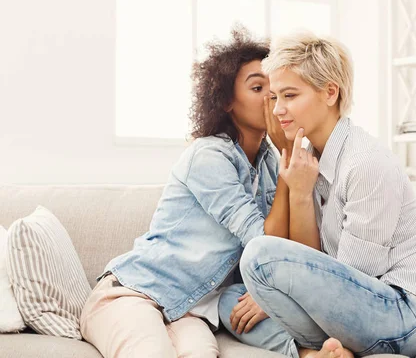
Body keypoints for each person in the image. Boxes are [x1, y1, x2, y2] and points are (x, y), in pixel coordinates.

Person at [219, 31, 416, 358]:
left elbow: (352, 278)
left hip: (406, 313)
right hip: (353, 304)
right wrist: (299, 193)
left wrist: (277, 294)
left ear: (329, 92)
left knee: (259, 257)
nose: (278, 110)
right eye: (275, 97)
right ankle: (315, 354)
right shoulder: (310, 158)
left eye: (290, 95)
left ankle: (312, 346)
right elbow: (316, 265)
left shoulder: (365, 164)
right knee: (231, 299)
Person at [79, 26, 292, 358]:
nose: (271, 97)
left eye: (276, 88)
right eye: (257, 87)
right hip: (131, 294)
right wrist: (288, 154)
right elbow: (264, 242)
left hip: (187, 309)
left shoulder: (269, 163)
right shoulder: (209, 156)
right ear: (226, 102)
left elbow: (285, 249)